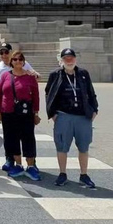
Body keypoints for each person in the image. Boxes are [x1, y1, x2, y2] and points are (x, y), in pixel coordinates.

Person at [45, 48, 99, 189]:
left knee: (83, 146)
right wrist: (53, 113)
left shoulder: (83, 74)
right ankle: (62, 173)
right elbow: (48, 93)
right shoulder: (55, 75)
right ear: (61, 60)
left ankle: (84, 175)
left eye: (71, 58)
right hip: (63, 115)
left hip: (83, 116)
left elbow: (91, 92)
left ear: (75, 59)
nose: (69, 60)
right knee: (62, 146)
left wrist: (94, 110)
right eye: (66, 58)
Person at [0, 51, 41, 181]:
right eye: (15, 59)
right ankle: (18, 164)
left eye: (20, 59)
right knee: (12, 139)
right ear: (11, 62)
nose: (17, 62)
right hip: (8, 112)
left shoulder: (30, 77)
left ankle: (31, 166)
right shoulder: (5, 76)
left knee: (28, 138)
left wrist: (36, 113)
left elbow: (36, 96)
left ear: (24, 61)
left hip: (25, 113)